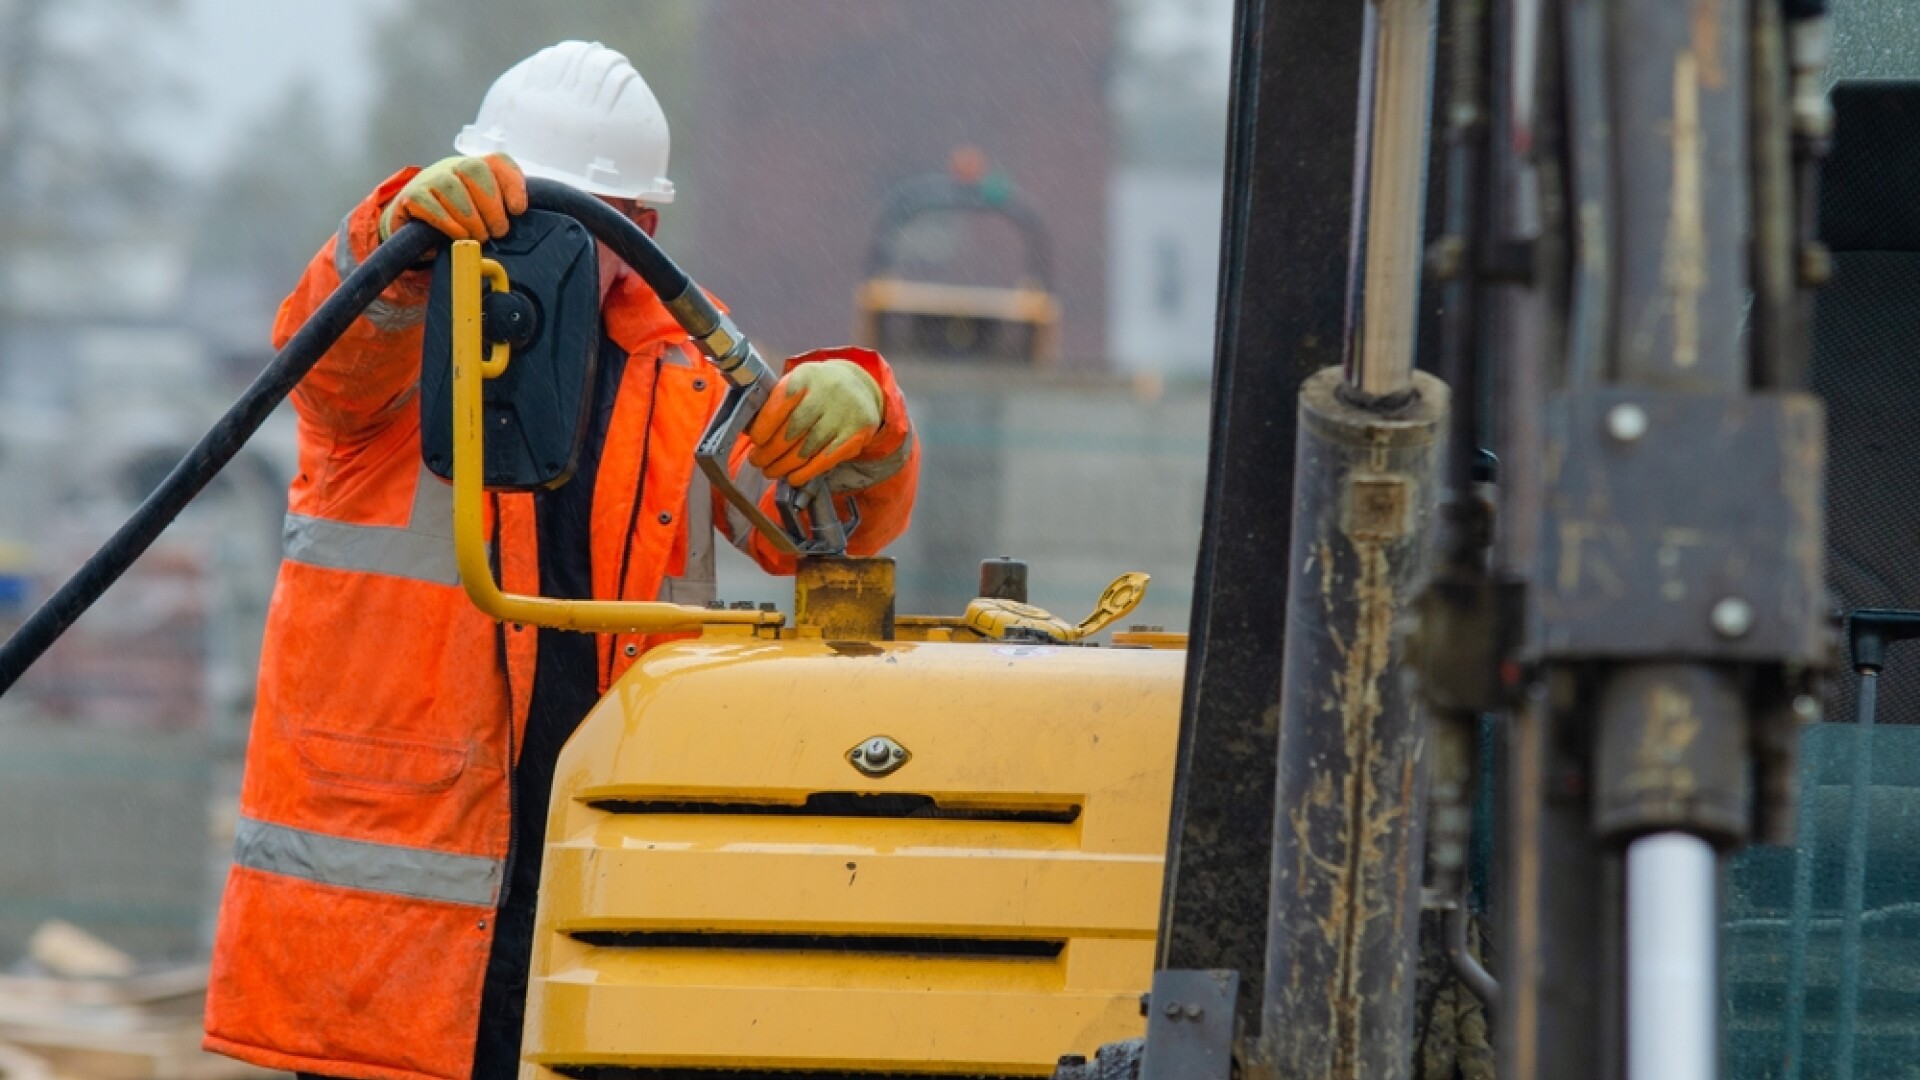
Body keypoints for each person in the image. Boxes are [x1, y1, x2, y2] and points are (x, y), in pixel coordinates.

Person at [201, 40, 919, 1080]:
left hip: (592, 903)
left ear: (646, 231)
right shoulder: (404, 334)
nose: (550, 243)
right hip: (390, 951)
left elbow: (816, 524)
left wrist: (864, 413)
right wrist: (391, 230)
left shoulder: (688, 371)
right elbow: (328, 367)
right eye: (524, 208)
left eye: (584, 219)